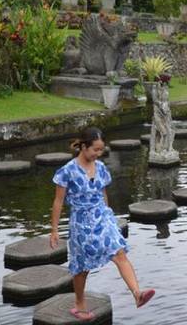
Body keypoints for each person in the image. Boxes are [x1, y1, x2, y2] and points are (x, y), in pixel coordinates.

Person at [50, 128, 154, 321]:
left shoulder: (101, 168)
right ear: (83, 146)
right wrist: (54, 230)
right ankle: (79, 303)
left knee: (119, 252)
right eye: (95, 150)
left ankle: (137, 294)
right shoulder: (67, 171)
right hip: (81, 222)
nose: (98, 154)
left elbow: (103, 193)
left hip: (102, 217)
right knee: (82, 267)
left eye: (101, 150)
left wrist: (109, 217)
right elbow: (58, 202)